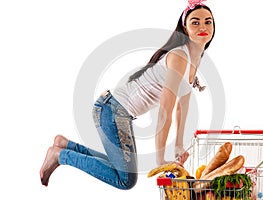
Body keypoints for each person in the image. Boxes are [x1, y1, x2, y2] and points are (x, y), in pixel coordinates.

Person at [40, 0, 215, 190]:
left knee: (122, 170)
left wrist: (179, 145)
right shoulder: (180, 56)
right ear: (185, 26)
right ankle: (60, 155)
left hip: (115, 110)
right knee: (125, 180)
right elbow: (166, 108)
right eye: (195, 22)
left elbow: (183, 105)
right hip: (113, 110)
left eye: (208, 21)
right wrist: (160, 158)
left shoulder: (194, 58)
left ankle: (65, 146)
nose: (203, 27)